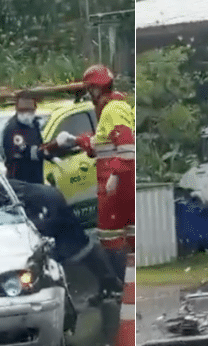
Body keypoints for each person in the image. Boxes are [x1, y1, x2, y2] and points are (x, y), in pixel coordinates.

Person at [1, 94, 122, 305]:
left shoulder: (33, 127)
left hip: (38, 190)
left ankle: (105, 283)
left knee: (65, 239)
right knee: (50, 243)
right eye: (24, 111)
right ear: (17, 110)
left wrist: (52, 153)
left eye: (31, 110)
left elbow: (37, 151)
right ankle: (94, 285)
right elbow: (26, 153)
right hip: (23, 192)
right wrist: (53, 146)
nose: (28, 115)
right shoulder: (14, 130)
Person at [66, 65, 135, 264]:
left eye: (90, 90)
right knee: (126, 234)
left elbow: (127, 147)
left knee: (110, 235)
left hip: (115, 184)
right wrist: (78, 140)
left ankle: (118, 280)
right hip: (119, 181)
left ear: (96, 89)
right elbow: (102, 143)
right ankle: (127, 281)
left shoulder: (113, 110)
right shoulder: (113, 109)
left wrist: (114, 174)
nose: (89, 95)